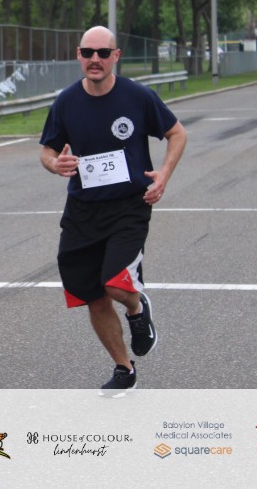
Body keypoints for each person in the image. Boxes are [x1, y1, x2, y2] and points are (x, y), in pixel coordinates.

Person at [39, 26, 187, 396]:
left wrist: (163, 174)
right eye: (88, 52)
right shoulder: (66, 102)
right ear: (78, 55)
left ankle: (137, 308)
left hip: (128, 207)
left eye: (103, 53)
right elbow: (47, 151)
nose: (95, 59)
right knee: (92, 294)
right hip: (82, 211)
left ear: (115, 56)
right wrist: (55, 164)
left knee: (114, 284)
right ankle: (124, 369)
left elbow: (177, 133)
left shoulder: (137, 97)